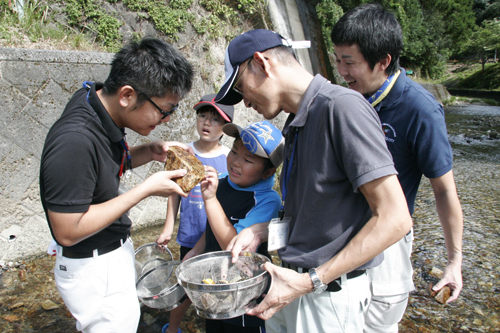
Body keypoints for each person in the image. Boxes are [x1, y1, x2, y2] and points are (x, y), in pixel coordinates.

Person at [215, 29, 413, 333]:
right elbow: (314, 210)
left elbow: (395, 218)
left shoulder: (341, 107)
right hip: (292, 283)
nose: (244, 102)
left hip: (324, 294)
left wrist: (311, 281)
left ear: (261, 63)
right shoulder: (296, 120)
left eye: (241, 87)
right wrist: (260, 231)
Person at [39, 37, 194, 333]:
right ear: (126, 94)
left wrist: (149, 152)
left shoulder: (95, 102)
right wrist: (146, 189)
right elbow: (67, 231)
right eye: (164, 110)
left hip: (106, 257)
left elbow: (100, 167)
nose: (166, 120)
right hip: (93, 269)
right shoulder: (74, 140)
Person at [330, 4, 463, 332]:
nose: (341, 72)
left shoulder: (419, 110)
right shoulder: (346, 99)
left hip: (387, 239)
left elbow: (444, 191)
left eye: (349, 63)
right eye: (337, 60)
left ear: (384, 61)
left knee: (378, 323)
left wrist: (454, 262)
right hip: (339, 234)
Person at [186, 120, 284, 333]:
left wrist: (211, 200)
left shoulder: (267, 200)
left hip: (244, 291)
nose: (235, 162)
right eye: (234, 151)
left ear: (267, 173)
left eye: (248, 159)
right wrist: (196, 250)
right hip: (214, 285)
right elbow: (212, 228)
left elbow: (233, 247)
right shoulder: (222, 181)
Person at [157, 94, 233, 333]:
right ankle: (173, 328)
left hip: (218, 239)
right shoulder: (185, 153)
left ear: (226, 127)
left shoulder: (229, 159)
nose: (207, 123)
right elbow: (174, 192)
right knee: (185, 289)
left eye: (215, 120)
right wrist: (169, 225)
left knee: (218, 288)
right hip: (190, 235)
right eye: (202, 116)